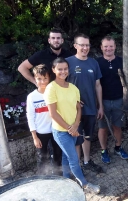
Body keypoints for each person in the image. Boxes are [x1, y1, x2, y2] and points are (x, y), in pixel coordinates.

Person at [44, 57, 100, 194]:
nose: (63, 72)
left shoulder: (73, 88)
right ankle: (85, 185)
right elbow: (53, 114)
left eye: (65, 69)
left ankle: (66, 180)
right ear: (53, 70)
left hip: (74, 129)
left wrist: (76, 125)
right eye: (60, 69)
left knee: (65, 156)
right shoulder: (51, 88)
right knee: (74, 158)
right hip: (61, 132)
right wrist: (70, 128)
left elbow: (78, 108)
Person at [66, 33, 103, 172]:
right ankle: (77, 167)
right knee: (76, 137)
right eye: (82, 45)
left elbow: (98, 85)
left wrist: (100, 106)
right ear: (75, 46)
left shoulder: (94, 63)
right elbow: (61, 85)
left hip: (91, 107)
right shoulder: (67, 62)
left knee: (88, 136)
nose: (85, 48)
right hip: (73, 110)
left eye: (87, 45)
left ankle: (87, 161)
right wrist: (72, 101)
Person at [97, 36, 128, 163]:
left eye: (111, 46)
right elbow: (95, 84)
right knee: (103, 128)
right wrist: (98, 104)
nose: (108, 48)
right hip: (102, 101)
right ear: (101, 47)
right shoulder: (97, 63)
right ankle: (104, 151)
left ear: (115, 47)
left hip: (118, 100)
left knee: (117, 126)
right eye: (105, 46)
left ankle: (118, 147)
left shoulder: (122, 62)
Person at [26, 64, 62, 175]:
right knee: (43, 157)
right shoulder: (32, 97)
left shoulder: (54, 92)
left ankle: (59, 176)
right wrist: (35, 137)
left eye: (45, 78)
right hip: (41, 133)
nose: (42, 82)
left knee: (58, 154)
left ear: (49, 78)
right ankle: (43, 179)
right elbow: (30, 117)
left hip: (55, 130)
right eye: (39, 79)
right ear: (35, 78)